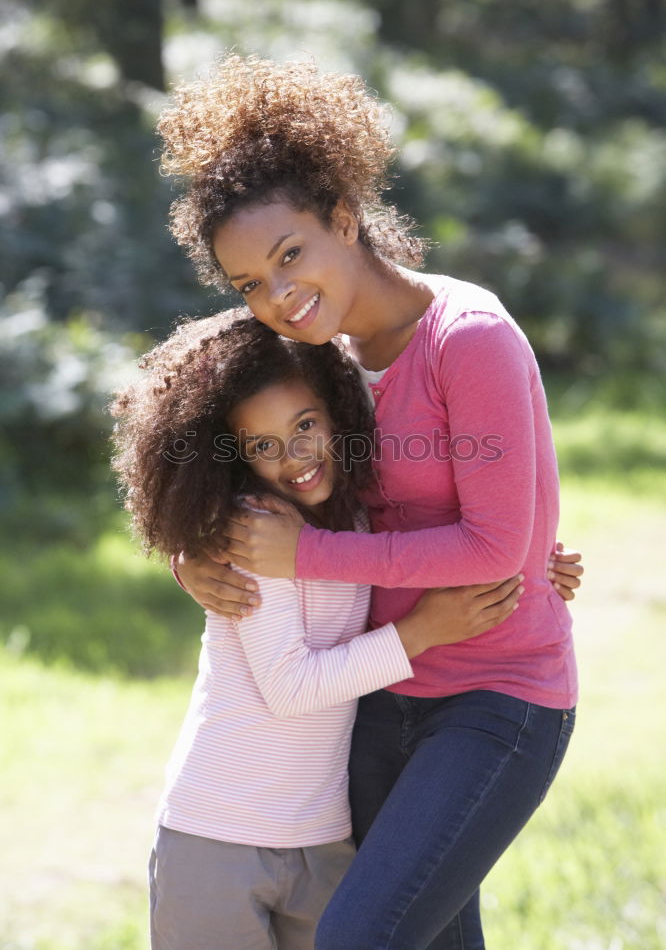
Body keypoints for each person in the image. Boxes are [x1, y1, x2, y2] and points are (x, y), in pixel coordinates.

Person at [160, 54, 583, 949]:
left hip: (495, 697)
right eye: (248, 284)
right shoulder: (317, 358)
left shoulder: (467, 338)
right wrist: (193, 553)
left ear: (344, 220)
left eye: (289, 256)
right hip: (376, 701)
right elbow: (216, 452)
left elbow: (492, 549)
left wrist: (308, 556)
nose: (277, 296)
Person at [110, 311, 527, 950]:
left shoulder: (357, 516)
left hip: (322, 836)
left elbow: (439, 546)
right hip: (219, 836)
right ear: (236, 457)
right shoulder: (253, 530)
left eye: (305, 426)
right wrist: (421, 633)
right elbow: (291, 687)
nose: (295, 457)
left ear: (335, 412)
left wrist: (531, 557)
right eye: (263, 445)